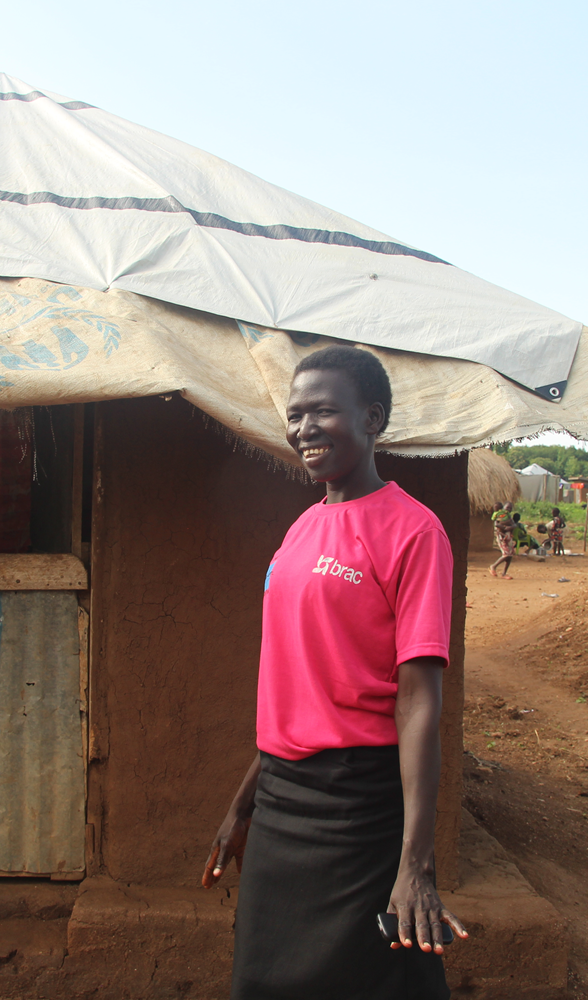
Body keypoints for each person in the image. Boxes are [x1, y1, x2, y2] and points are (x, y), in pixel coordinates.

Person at [203, 346, 464, 1000]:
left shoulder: (414, 532)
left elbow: (419, 703)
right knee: (262, 980)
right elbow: (301, 690)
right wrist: (243, 807)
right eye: (295, 415)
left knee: (368, 979)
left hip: (358, 811)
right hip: (283, 808)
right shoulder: (300, 532)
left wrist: (416, 863)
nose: (304, 428)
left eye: (323, 411)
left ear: (372, 418)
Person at [488, 502, 514, 579]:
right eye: (507, 508)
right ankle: (493, 566)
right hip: (502, 537)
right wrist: (505, 527)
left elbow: (514, 524)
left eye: (510, 508)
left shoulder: (509, 517)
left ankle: (504, 574)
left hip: (508, 536)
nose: (508, 509)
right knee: (506, 554)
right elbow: (496, 524)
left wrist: (510, 527)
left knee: (510, 556)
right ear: (502, 508)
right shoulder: (499, 516)